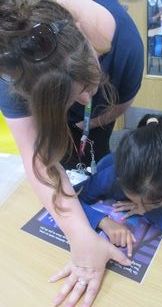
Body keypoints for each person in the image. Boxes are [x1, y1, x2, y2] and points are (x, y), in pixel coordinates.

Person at [0, 1, 144, 306]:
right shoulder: (12, 77)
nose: (83, 97)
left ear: (81, 32)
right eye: (70, 99)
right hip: (53, 116)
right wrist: (81, 238)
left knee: (97, 157)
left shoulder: (126, 45)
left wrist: (88, 121)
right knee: (61, 177)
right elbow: (37, 155)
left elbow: (118, 107)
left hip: (99, 118)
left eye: (85, 83)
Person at [76, 114, 162, 254]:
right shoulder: (115, 172)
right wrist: (103, 222)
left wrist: (151, 211)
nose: (139, 209)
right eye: (134, 200)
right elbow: (71, 198)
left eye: (152, 203)